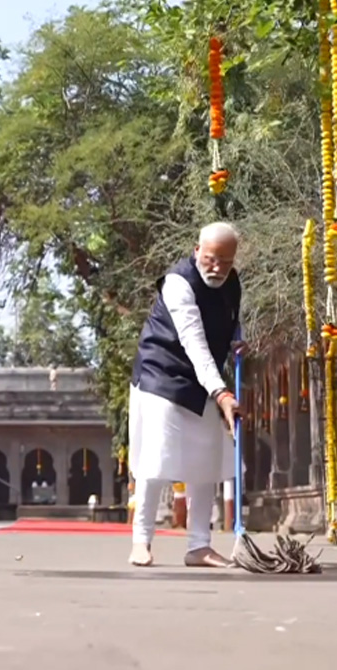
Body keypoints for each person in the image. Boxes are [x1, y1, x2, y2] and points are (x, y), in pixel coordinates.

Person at [127, 221, 244, 567]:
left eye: (225, 260)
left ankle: (198, 545)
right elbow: (194, 342)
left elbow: (231, 318)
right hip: (161, 374)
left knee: (207, 458)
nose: (217, 267)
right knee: (157, 457)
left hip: (201, 380)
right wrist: (221, 393)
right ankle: (141, 541)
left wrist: (237, 337)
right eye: (210, 258)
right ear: (197, 252)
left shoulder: (231, 281)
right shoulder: (178, 284)